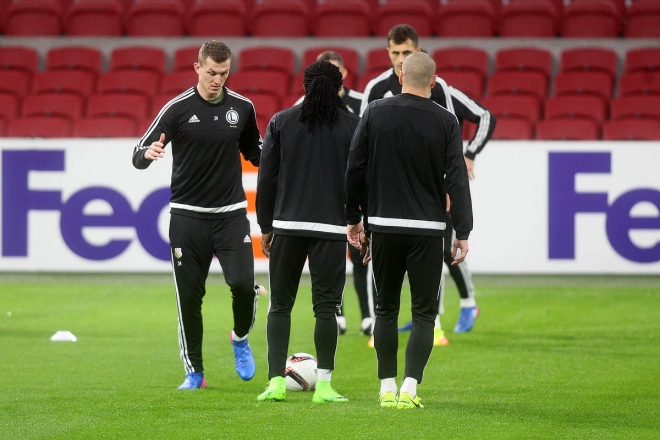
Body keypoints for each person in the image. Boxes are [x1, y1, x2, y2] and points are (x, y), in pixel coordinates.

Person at [132, 40, 263, 390]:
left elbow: (255, 152)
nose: (218, 79)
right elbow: (138, 153)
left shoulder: (243, 108)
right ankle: (195, 372)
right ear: (197, 68)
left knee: (242, 285)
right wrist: (149, 152)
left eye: (224, 73)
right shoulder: (177, 109)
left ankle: (239, 337)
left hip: (231, 215)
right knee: (189, 297)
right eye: (211, 72)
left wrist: (280, 157)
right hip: (188, 218)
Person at [346, 52, 473, 409]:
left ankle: (386, 387)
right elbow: (457, 179)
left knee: (385, 311)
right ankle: (410, 389)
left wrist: (353, 217)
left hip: (384, 227)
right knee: (423, 314)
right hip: (428, 231)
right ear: (434, 82)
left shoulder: (374, 111)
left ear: (400, 75)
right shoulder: (446, 121)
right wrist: (462, 230)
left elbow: (354, 166)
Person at [361, 24, 496, 343]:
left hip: (431, 189)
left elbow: (447, 139)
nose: (400, 59)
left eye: (406, 52)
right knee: (383, 255)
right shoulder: (376, 88)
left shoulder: (437, 86)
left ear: (418, 52)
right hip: (389, 191)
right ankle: (380, 322)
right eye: (394, 53)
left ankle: (440, 317)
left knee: (441, 250)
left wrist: (460, 168)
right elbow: (362, 146)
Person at [255, 60, 360, 403]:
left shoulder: (282, 122)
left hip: (287, 226)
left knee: (280, 307)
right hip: (331, 230)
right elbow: (360, 180)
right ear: (339, 87)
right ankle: (325, 387)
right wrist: (359, 221)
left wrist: (266, 226)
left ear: (305, 85)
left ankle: (275, 383)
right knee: (326, 309)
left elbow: (266, 178)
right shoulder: (353, 125)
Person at [294, 50, 373, 336]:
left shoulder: (363, 103)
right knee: (331, 256)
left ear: (344, 74)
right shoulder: (302, 106)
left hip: (351, 191)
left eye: (335, 71)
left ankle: (367, 314)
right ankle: (337, 311)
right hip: (322, 193)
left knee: (360, 252)